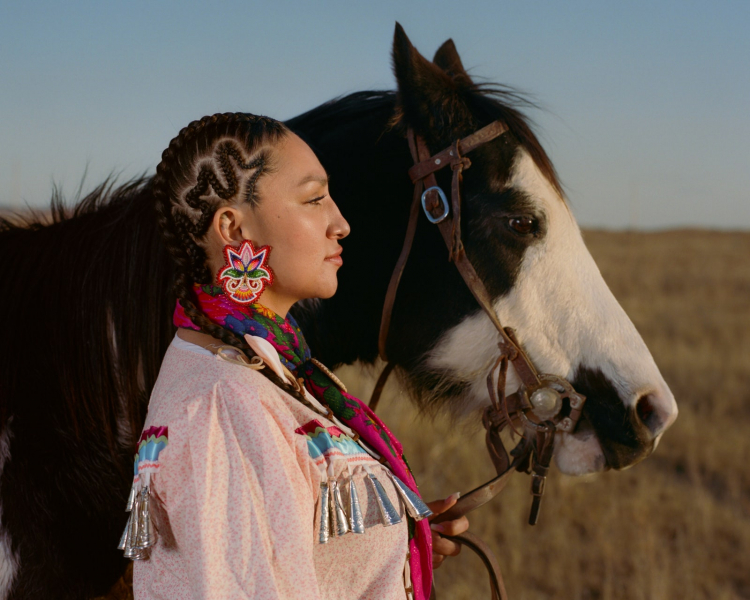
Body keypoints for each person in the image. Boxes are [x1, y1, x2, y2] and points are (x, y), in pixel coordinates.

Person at [118, 112, 469, 600]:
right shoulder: (223, 406)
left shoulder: (260, 364)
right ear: (233, 229)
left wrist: (391, 540)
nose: (341, 224)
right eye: (314, 199)